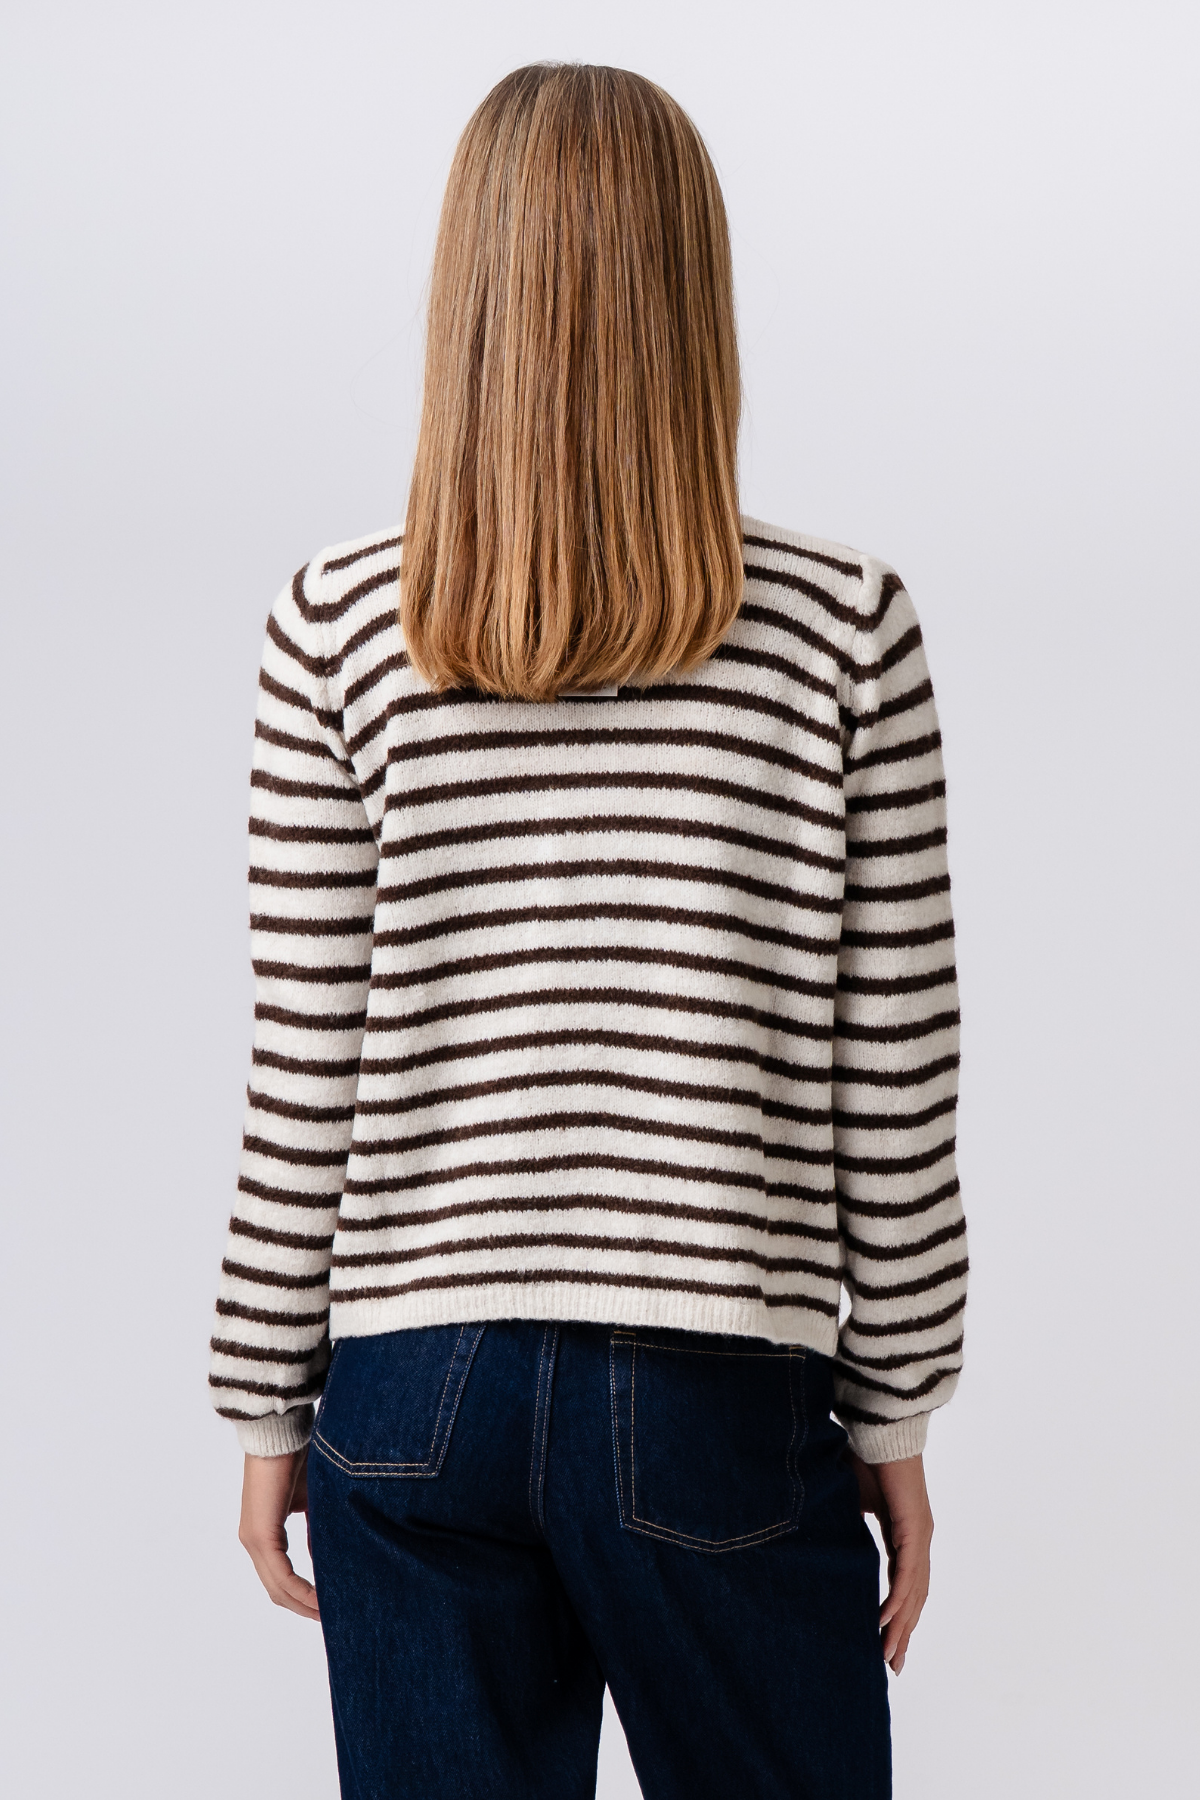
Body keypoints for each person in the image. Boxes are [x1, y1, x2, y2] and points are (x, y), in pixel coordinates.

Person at [210, 61, 967, 1800]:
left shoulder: (335, 621)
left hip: (408, 1393)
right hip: (718, 1389)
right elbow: (894, 1090)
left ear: (463, 296)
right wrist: (898, 1413)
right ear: (696, 295)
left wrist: (263, 1399)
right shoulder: (846, 629)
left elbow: (304, 1067)